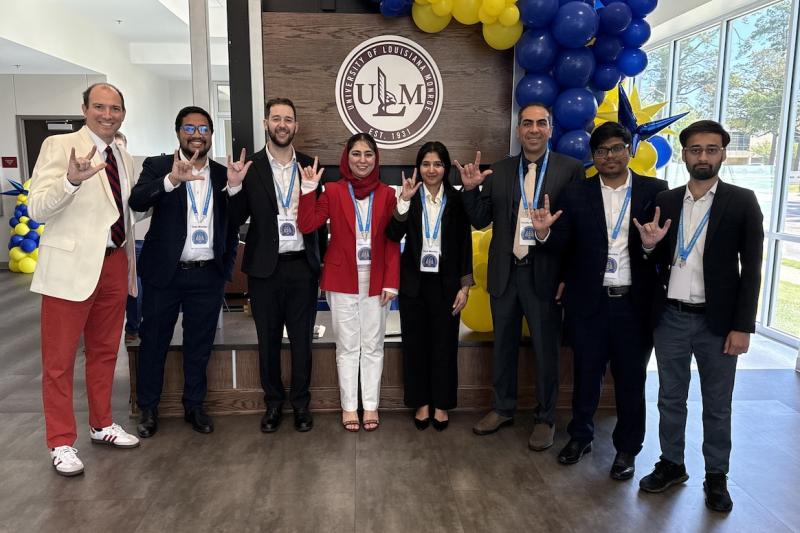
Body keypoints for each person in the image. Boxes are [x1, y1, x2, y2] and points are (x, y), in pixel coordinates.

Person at [637, 120, 763, 513]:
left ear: (723, 153)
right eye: (695, 150)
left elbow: (753, 268)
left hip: (719, 323)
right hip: (671, 318)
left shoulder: (742, 201)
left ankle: (716, 476)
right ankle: (672, 463)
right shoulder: (667, 200)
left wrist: (742, 327)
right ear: (684, 155)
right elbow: (652, 258)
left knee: (717, 404)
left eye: (711, 149)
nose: (703, 156)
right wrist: (648, 247)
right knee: (670, 398)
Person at [28, 83, 141, 477]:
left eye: (114, 108)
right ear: (84, 108)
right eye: (99, 107)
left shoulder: (123, 156)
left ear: (123, 113)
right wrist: (71, 181)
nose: (107, 114)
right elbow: (38, 208)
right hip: (70, 269)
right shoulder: (59, 148)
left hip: (113, 263)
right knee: (58, 362)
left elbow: (123, 213)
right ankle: (61, 442)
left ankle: (102, 423)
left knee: (106, 352)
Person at [543, 122, 667, 479]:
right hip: (588, 303)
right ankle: (580, 436)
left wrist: (649, 245)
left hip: (634, 304)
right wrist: (545, 233)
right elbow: (563, 246)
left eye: (616, 148)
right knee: (586, 375)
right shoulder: (576, 192)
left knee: (631, 380)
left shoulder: (654, 192)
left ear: (629, 149)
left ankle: (627, 449)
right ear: (593, 157)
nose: (609, 156)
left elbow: (665, 250)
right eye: (601, 151)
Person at [457, 102, 583, 450]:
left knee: (546, 350)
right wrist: (469, 190)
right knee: (504, 348)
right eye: (526, 123)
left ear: (550, 129)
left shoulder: (569, 170)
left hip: (544, 275)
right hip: (505, 274)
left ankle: (545, 418)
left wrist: (567, 276)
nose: (533, 129)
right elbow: (481, 219)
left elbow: (574, 228)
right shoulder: (499, 170)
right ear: (518, 129)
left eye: (541, 123)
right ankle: (502, 408)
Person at [129, 106, 239, 437]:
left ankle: (194, 406)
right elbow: (136, 201)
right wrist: (171, 181)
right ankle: (148, 409)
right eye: (189, 128)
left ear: (211, 135)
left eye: (203, 129)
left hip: (207, 275)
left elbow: (232, 225)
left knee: (199, 344)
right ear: (178, 131)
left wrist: (225, 268)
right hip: (165, 274)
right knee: (153, 342)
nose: (196, 135)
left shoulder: (222, 175)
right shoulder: (158, 165)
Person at [227, 97, 326, 433]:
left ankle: (300, 404)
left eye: (288, 119)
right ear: (266, 123)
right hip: (265, 270)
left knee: (302, 341)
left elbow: (320, 221)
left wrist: (320, 265)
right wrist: (235, 185)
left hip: (302, 268)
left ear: (296, 125)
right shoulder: (250, 166)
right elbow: (236, 217)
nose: (282, 124)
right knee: (267, 340)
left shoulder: (312, 165)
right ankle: (272, 406)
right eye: (276, 118)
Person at [297, 133, 400, 432]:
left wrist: (391, 281)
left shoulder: (388, 194)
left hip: (377, 280)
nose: (362, 160)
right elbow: (307, 224)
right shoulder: (332, 190)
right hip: (341, 279)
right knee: (347, 347)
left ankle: (371, 406)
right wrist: (307, 190)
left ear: (376, 159)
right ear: (347, 157)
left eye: (368, 154)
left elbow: (392, 241)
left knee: (373, 346)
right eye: (356, 154)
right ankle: (348, 407)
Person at [385, 141, 473, 431]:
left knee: (445, 346)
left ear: (445, 168)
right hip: (414, 284)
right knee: (416, 346)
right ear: (418, 167)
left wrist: (465, 286)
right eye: (426, 164)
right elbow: (392, 235)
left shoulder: (457, 199)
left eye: (437, 164)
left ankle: (442, 404)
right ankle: (421, 402)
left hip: (447, 284)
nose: (431, 170)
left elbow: (464, 244)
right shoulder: (409, 196)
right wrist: (404, 202)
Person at [114, 131, 144, 343]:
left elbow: (140, 208)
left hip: (135, 240)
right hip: (105, 248)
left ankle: (133, 328)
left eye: (119, 148)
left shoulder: (134, 172)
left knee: (135, 287)